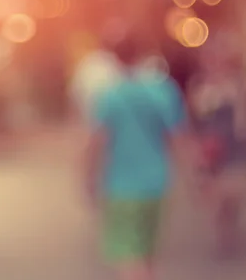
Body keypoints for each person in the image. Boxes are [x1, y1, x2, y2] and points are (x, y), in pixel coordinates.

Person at [84, 35, 188, 280]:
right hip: (157, 184)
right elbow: (179, 139)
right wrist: (196, 178)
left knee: (129, 258)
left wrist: (88, 180)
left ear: (114, 59)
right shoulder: (164, 90)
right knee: (148, 256)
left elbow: (94, 143)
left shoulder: (109, 95)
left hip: (122, 188)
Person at [187, 36, 246, 256]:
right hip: (210, 149)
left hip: (234, 145)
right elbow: (194, 120)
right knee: (216, 196)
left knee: (232, 194)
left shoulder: (237, 84)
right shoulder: (199, 85)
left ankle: (228, 224)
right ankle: (222, 231)